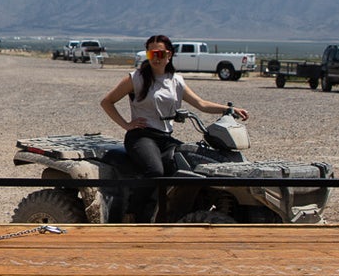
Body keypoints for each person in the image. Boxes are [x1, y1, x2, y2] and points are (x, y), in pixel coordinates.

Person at [99, 33, 249, 221]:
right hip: (142, 136)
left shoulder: (176, 80)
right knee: (155, 171)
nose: (155, 58)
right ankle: (132, 213)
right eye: (151, 53)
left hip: (166, 137)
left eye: (160, 54)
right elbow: (107, 102)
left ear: (169, 55)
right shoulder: (136, 78)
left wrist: (229, 109)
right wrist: (127, 125)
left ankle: (171, 211)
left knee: (192, 163)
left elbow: (201, 104)